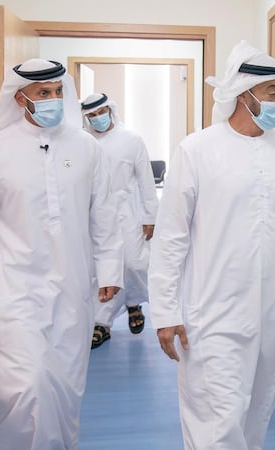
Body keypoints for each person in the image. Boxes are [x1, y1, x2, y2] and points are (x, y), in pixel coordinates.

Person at [148, 40, 275, 450]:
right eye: (273, 92)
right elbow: (170, 239)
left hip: (272, 315)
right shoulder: (197, 150)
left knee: (254, 418)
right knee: (217, 425)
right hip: (212, 315)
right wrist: (165, 311)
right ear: (244, 93)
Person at [0, 58, 123, 450]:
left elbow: (105, 214)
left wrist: (110, 271)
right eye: (44, 93)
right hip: (16, 291)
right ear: (20, 97)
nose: (53, 100)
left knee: (64, 387)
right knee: (24, 387)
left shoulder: (85, 148)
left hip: (74, 290)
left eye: (59, 92)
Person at [81, 93, 159, 349]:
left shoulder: (132, 140)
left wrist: (150, 216)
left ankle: (133, 304)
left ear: (110, 110)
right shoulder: (84, 142)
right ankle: (101, 323)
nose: (98, 118)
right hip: (95, 215)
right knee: (100, 269)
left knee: (134, 263)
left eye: (101, 112)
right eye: (91, 115)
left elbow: (146, 179)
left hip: (129, 213)